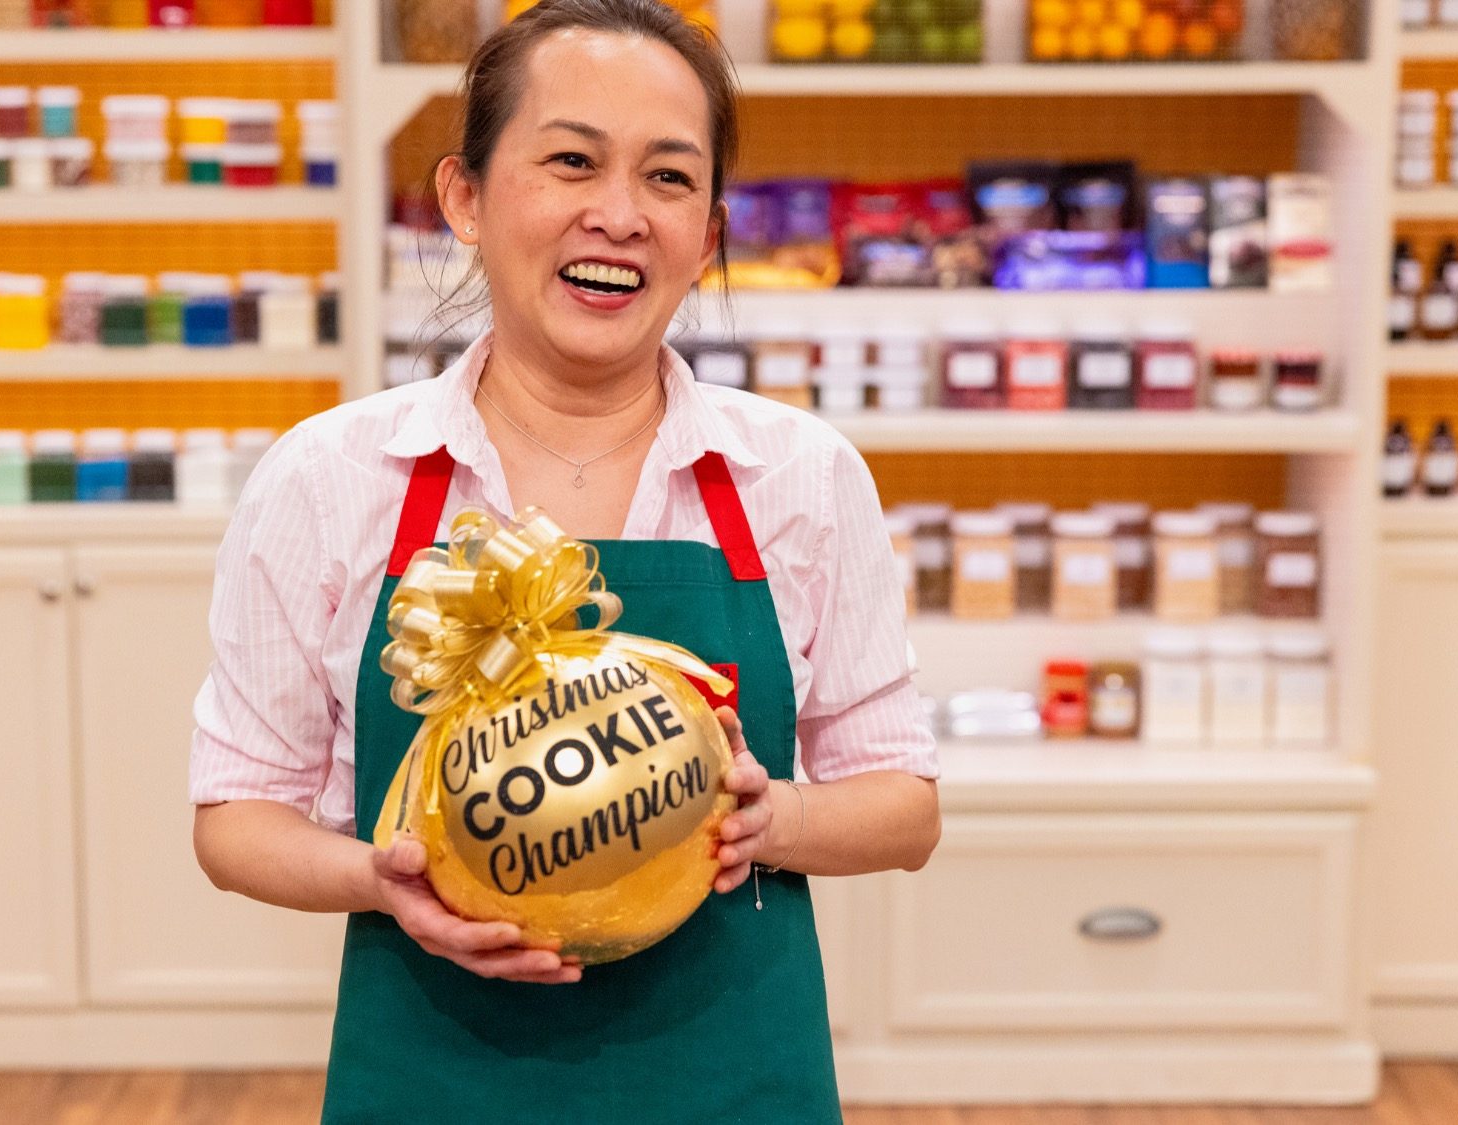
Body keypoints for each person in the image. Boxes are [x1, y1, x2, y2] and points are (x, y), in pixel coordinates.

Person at [189, 0, 940, 1118]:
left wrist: (764, 816)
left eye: (669, 179)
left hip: (730, 1079)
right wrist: (384, 883)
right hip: (436, 1078)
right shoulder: (333, 478)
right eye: (571, 163)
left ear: (712, 235)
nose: (620, 216)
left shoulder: (799, 477)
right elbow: (235, 815)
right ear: (465, 199)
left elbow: (903, 806)